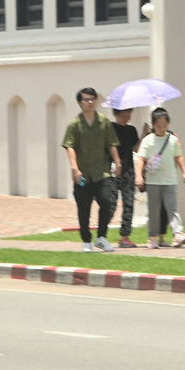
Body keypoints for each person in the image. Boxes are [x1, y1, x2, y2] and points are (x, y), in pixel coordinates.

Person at [61, 87, 120, 252]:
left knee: (107, 201)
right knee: (84, 207)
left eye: (93, 99)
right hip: (81, 175)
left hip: (102, 172)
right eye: (86, 99)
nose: (90, 102)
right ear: (80, 103)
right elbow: (69, 146)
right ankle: (86, 241)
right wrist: (74, 168)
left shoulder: (104, 122)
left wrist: (118, 162)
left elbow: (112, 144)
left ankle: (101, 237)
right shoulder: (75, 124)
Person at [135, 107, 185, 249]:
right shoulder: (148, 140)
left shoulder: (172, 140)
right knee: (154, 209)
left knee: (172, 208)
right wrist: (138, 176)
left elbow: (179, 156)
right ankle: (152, 237)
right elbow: (140, 158)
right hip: (153, 181)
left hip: (170, 180)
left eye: (164, 126)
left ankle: (178, 233)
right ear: (153, 125)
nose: (162, 128)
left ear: (168, 124)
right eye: (158, 126)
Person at [110, 107, 141, 247]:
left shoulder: (131, 130)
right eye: (123, 115)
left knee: (129, 204)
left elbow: (136, 148)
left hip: (128, 171)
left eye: (128, 115)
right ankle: (102, 232)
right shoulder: (110, 128)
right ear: (115, 114)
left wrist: (144, 135)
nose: (126, 118)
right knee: (111, 203)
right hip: (113, 171)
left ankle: (125, 236)